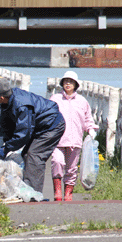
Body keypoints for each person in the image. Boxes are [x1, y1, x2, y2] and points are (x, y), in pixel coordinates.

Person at [0, 78, 66, 197]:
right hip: (37, 125)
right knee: (26, 154)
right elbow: (7, 124)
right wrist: (7, 143)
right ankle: (25, 189)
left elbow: (23, 133)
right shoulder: (7, 102)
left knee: (34, 155)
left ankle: (32, 195)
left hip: (52, 125)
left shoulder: (21, 105)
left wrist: (7, 149)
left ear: (0, 97)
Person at [50, 71, 98, 201]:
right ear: (62, 83)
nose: (68, 84)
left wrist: (91, 130)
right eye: (65, 81)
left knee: (71, 169)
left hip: (75, 140)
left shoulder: (82, 101)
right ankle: (58, 191)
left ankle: (68, 193)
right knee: (57, 162)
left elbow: (88, 119)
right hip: (58, 140)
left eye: (71, 82)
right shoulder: (55, 99)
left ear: (76, 85)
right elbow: (47, 116)